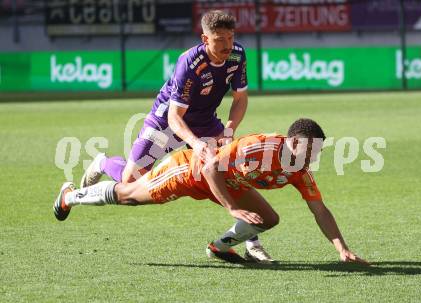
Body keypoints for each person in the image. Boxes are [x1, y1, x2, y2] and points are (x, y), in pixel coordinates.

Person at [78, 9, 271, 262]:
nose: (227, 45)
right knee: (129, 183)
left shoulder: (237, 54)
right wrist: (196, 145)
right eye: (219, 39)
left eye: (231, 37)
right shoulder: (189, 63)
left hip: (205, 122)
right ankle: (103, 162)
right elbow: (174, 117)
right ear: (205, 39)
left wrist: (229, 130)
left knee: (229, 174)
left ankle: (251, 243)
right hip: (165, 123)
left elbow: (240, 99)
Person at [54, 118, 369, 265]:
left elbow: (320, 210)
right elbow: (209, 168)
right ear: (292, 144)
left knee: (268, 218)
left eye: (317, 153)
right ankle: (70, 195)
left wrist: (341, 249)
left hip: (225, 184)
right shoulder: (258, 147)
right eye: (310, 151)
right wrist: (232, 207)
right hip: (190, 171)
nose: (313, 159)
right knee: (129, 196)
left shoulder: (299, 170)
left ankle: (219, 248)